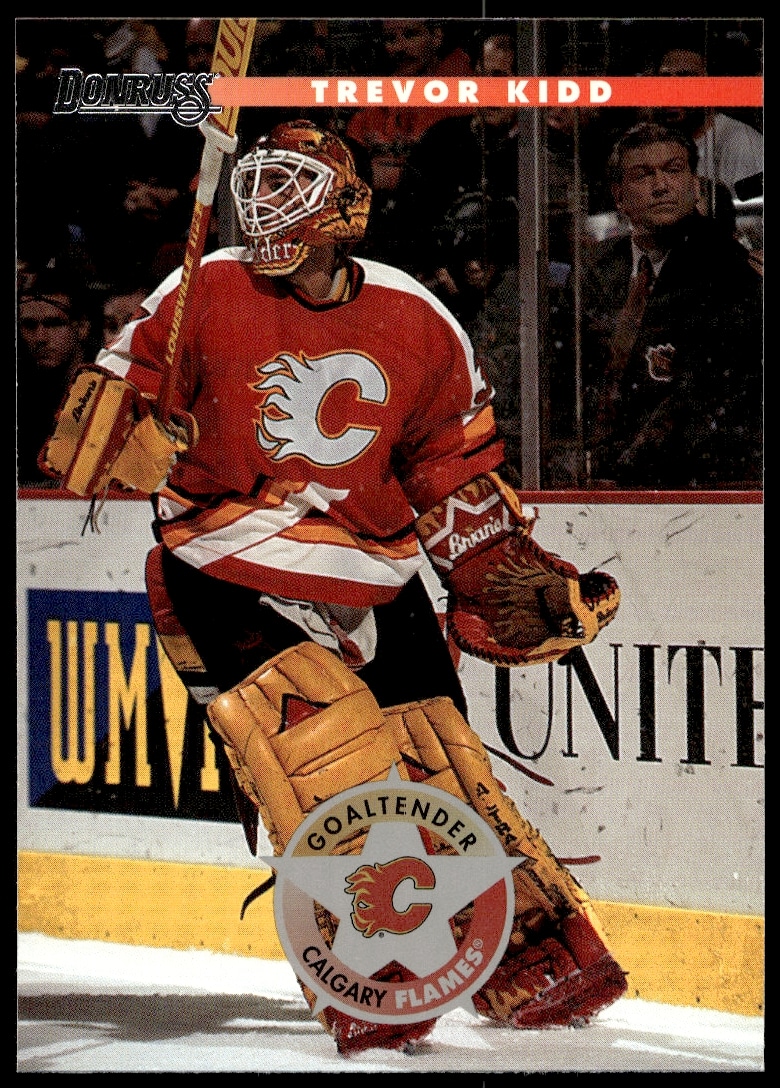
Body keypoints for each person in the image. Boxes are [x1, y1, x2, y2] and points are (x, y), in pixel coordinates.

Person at [38, 120, 624, 1053]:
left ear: (347, 207)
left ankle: (525, 949)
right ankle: (372, 970)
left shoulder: (415, 314)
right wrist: (119, 435)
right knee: (329, 764)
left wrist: (494, 571)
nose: (268, 206)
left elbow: (447, 469)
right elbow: (99, 432)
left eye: (294, 186)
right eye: (261, 184)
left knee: (442, 768)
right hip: (222, 571)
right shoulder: (200, 289)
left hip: (376, 574)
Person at [579, 122, 763, 489]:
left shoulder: (727, 271)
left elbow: (702, 404)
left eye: (673, 170)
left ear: (695, 185)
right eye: (643, 175)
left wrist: (614, 467)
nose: (661, 185)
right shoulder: (597, 268)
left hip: (687, 483)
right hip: (595, 477)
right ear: (619, 195)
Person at [653, 46, 763, 203]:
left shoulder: (740, 142)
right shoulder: (664, 144)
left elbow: (748, 215)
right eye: (664, 79)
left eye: (686, 79)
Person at [17, 271, 95, 487]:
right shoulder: (22, 400)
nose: (40, 337)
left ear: (82, 327)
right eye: (29, 325)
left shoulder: (108, 393)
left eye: (53, 324)